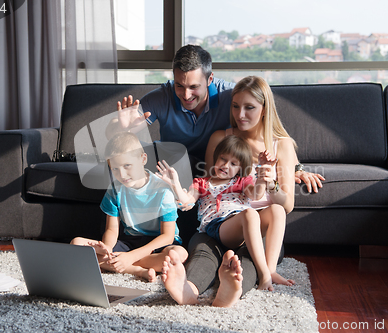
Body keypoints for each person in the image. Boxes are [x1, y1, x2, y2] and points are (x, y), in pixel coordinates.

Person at [106, 44, 324, 193]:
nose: (186, 94)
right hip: (176, 162)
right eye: (179, 85)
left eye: (194, 87)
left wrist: (296, 168)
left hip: (217, 164)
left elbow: (268, 126)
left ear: (210, 78)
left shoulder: (231, 96)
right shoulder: (163, 96)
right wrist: (121, 128)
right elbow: (112, 134)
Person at [160, 75, 300, 307]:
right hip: (217, 223)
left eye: (249, 108)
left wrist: (270, 181)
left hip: (259, 229)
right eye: (235, 106)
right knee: (205, 254)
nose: (240, 115)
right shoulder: (221, 138)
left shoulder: (281, 145)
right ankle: (188, 288)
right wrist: (178, 187)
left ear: (265, 109)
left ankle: (233, 290)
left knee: (249, 260)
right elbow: (209, 184)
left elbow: (286, 206)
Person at [156, 135, 295, 292]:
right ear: (216, 158)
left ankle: (271, 270)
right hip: (218, 227)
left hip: (244, 224)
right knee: (250, 214)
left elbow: (256, 194)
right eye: (223, 159)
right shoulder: (202, 183)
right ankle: (264, 275)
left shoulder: (242, 181)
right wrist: (175, 185)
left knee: (277, 209)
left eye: (233, 163)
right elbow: (187, 202)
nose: (226, 165)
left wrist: (263, 174)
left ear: (239, 168)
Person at [71, 132, 188, 282]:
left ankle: (122, 263)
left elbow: (167, 236)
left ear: (143, 159)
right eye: (115, 169)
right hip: (130, 241)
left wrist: (131, 256)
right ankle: (137, 270)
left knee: (178, 254)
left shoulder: (163, 190)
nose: (122, 174)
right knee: (77, 243)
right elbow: (112, 229)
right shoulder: (114, 189)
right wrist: (106, 248)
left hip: (158, 244)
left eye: (127, 166)